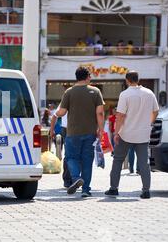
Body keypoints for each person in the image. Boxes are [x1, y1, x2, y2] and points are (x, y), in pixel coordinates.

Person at [105, 71, 159, 199]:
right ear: (138, 79)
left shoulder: (125, 94)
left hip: (126, 133)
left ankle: (114, 188)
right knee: (144, 163)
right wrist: (149, 123)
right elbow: (156, 111)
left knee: (118, 160)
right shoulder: (149, 93)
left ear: (127, 80)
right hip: (143, 133)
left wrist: (116, 132)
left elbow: (120, 116)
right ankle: (146, 191)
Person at [53, 66, 105, 197]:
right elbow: (100, 112)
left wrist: (55, 114)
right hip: (90, 133)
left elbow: (62, 112)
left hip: (73, 133)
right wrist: (101, 129)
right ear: (87, 77)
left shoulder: (69, 92)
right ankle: (86, 190)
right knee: (87, 160)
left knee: (71, 157)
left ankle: (76, 178)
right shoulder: (96, 91)